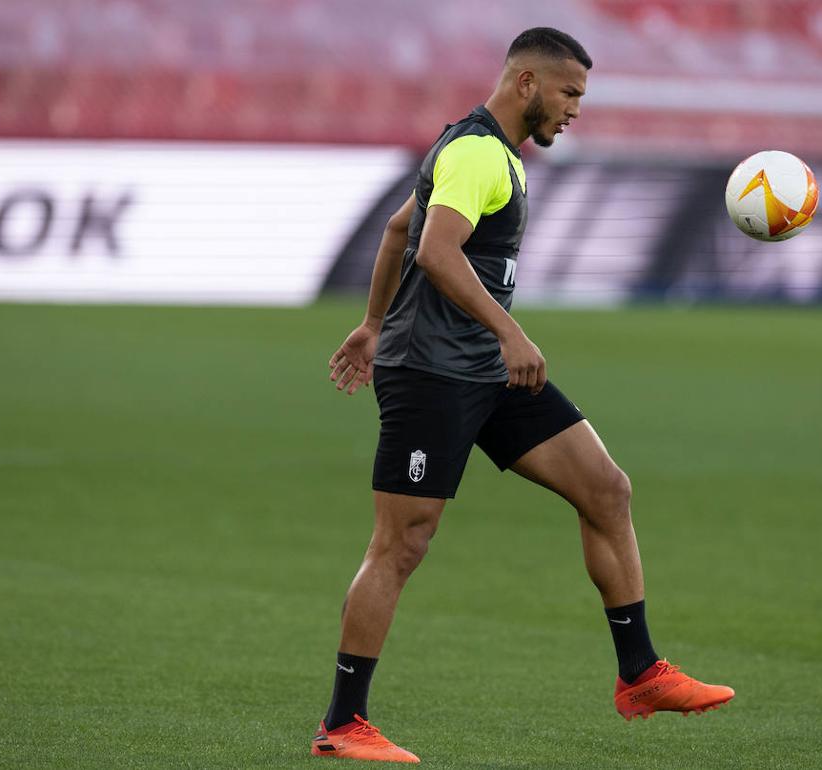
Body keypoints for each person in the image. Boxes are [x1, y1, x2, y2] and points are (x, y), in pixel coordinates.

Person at [312, 27, 734, 764]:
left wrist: (374, 322)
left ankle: (640, 674)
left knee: (606, 488)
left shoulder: (491, 154)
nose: (576, 110)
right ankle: (343, 723)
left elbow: (397, 230)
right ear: (527, 84)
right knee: (403, 542)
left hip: (481, 368)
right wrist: (506, 332)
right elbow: (436, 250)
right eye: (570, 93)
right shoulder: (477, 153)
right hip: (435, 374)